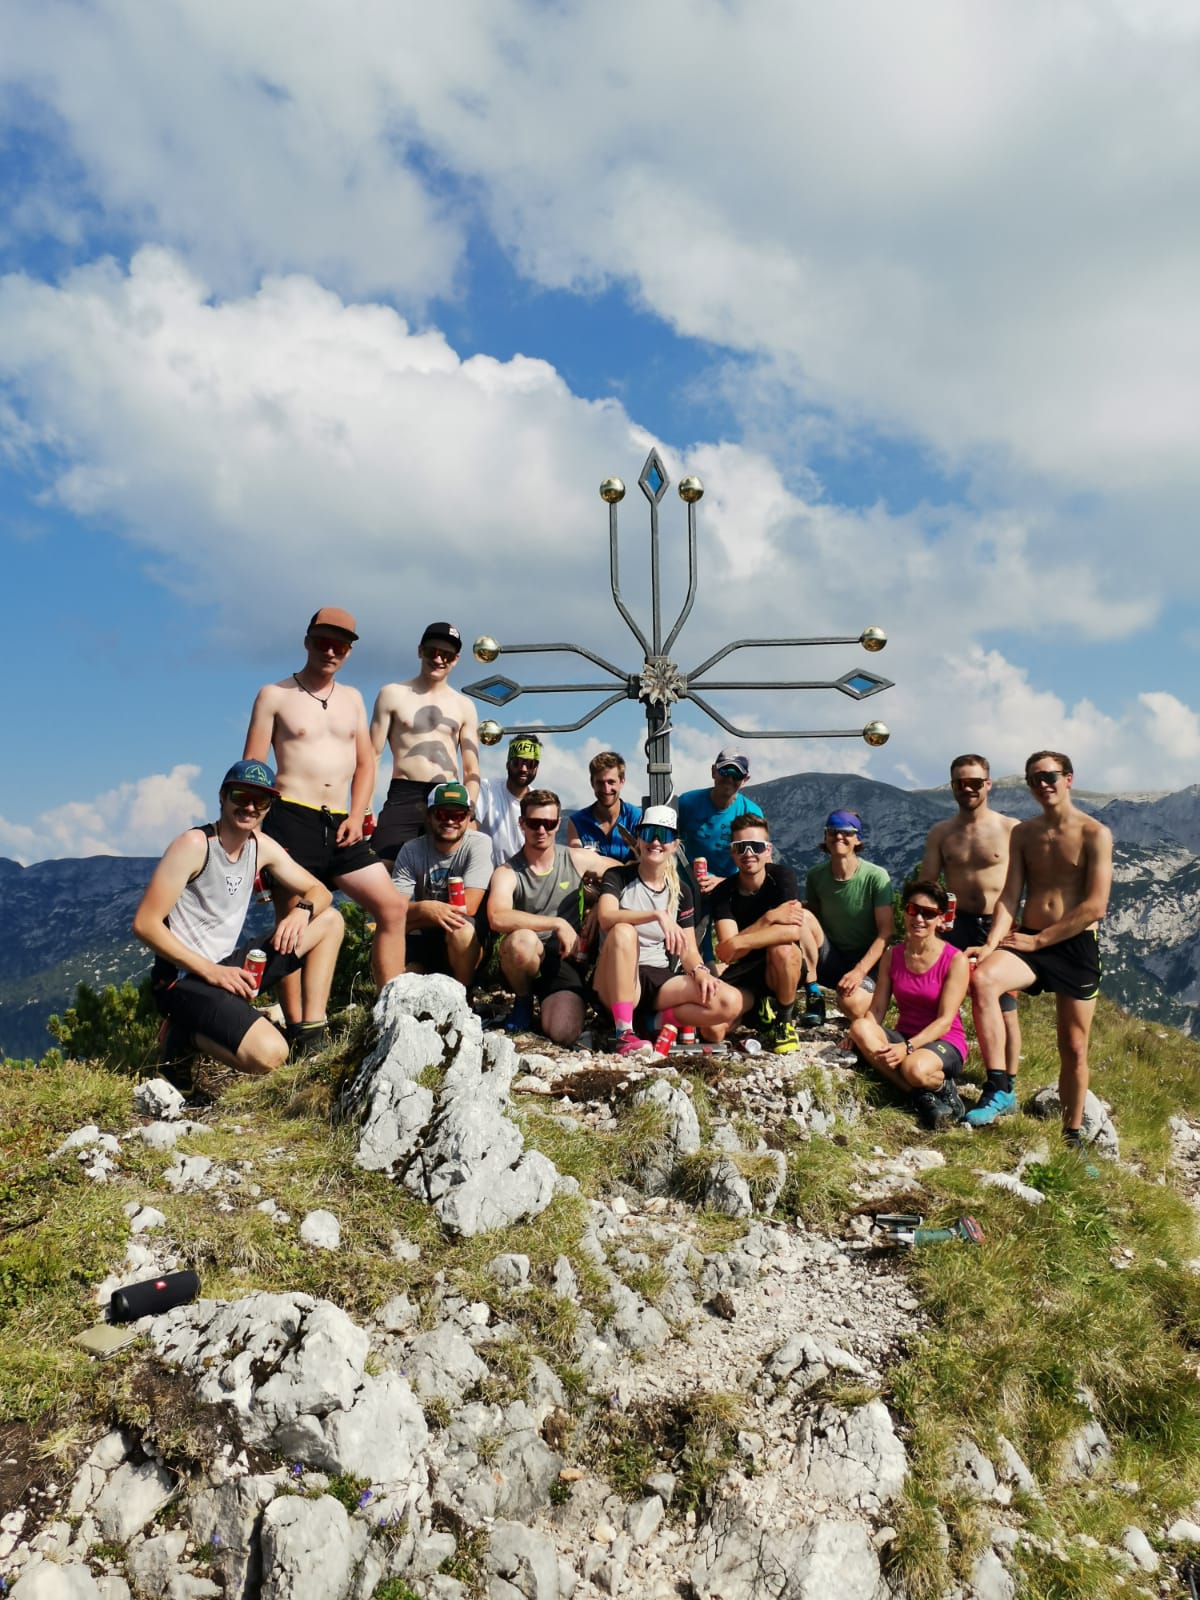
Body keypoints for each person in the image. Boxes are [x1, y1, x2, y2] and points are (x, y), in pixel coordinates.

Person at [133, 760, 345, 1082]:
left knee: (330, 921)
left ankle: (311, 1036)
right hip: (183, 979)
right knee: (271, 1053)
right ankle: (183, 1036)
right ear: (222, 796)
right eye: (241, 795)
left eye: (260, 800)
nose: (249, 806)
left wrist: (302, 910)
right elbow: (145, 924)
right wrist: (212, 972)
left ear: (269, 806)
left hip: (227, 968)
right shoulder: (194, 845)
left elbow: (320, 892)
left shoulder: (261, 847)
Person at [243, 607, 407, 1022]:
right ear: (307, 641)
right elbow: (253, 771)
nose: (331, 650)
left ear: (350, 651)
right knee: (290, 927)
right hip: (290, 819)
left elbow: (367, 764)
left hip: (342, 824)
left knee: (392, 907)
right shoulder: (274, 696)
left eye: (341, 644)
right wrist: (254, 843)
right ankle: (300, 1026)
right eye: (323, 641)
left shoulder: (352, 698)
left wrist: (356, 815)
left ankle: (392, 1010)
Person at [965, 752, 1112, 1140]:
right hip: (1028, 941)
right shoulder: (1024, 833)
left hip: (1073, 945)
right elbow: (1010, 895)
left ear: (1068, 779)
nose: (1042, 784)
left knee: (1074, 1048)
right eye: (1033, 779)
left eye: (1049, 776)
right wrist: (992, 942)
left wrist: (1041, 939)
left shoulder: (1094, 833)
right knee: (983, 980)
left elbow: (1096, 906)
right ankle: (999, 1086)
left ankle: (1073, 1134)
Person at [593, 806, 742, 1055]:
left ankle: (651, 1023)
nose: (655, 842)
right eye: (649, 833)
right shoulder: (618, 876)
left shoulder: (681, 891)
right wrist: (655, 916)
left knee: (729, 1001)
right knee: (623, 932)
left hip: (657, 978)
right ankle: (623, 1032)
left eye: (664, 836)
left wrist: (700, 971)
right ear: (638, 839)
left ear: (674, 844)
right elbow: (606, 917)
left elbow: (688, 950)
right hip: (613, 976)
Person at [920, 753, 1021, 1079]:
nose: (967, 789)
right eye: (960, 783)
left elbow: (1027, 885)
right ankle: (935, 1062)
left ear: (988, 784)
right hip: (955, 924)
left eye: (975, 782)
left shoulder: (1011, 829)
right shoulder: (942, 833)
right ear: (952, 786)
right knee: (939, 999)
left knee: (1004, 1006)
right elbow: (928, 886)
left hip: (999, 922)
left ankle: (1007, 1082)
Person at [487, 790, 608, 1044]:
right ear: (522, 824)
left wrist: (600, 905)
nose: (541, 830)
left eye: (549, 823)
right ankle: (523, 999)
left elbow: (624, 872)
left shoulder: (575, 859)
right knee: (522, 942)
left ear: (558, 824)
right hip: (526, 958)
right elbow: (497, 916)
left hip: (565, 959)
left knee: (563, 1032)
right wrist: (557, 923)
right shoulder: (508, 871)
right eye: (534, 823)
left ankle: (560, 1002)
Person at [848, 880, 969, 1130]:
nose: (920, 919)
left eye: (929, 913)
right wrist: (859, 1036)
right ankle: (920, 1098)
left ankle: (943, 1089)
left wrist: (908, 1047)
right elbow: (878, 1009)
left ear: (940, 919)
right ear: (905, 912)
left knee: (914, 1068)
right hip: (905, 1035)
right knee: (859, 1027)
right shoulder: (893, 955)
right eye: (914, 910)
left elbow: (945, 1021)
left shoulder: (954, 960)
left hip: (945, 1040)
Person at [710, 814, 826, 1054]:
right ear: (732, 852)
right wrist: (769, 919)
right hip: (748, 971)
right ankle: (757, 1009)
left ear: (768, 850)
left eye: (757, 846)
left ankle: (784, 1020)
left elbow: (791, 932)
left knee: (783, 950)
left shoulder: (782, 877)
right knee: (713, 1031)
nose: (748, 853)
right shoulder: (723, 892)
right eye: (740, 847)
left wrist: (741, 940)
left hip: (780, 968)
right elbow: (727, 953)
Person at [369, 622, 480, 865]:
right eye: (433, 652)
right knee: (382, 866)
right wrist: (364, 809)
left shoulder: (464, 706)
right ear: (420, 651)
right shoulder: (393, 694)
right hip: (405, 792)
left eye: (447, 655)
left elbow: (471, 770)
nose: (439, 659)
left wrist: (468, 809)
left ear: (456, 659)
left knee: (446, 870)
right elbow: (372, 756)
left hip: (448, 794)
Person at [392, 782, 492, 988]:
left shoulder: (479, 843)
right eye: (442, 814)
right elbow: (392, 911)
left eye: (458, 816)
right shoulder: (411, 850)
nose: (450, 821)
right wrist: (425, 909)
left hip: (464, 939)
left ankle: (463, 996)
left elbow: (469, 907)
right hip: (426, 938)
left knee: (461, 929)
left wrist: (419, 914)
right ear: (429, 816)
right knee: (391, 931)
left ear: (468, 818)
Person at [803, 810, 893, 1021]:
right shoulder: (815, 876)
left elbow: (886, 932)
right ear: (826, 836)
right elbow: (812, 919)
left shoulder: (876, 877)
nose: (839, 837)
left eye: (847, 832)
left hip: (868, 961)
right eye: (833, 831)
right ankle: (813, 994)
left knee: (851, 1005)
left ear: (857, 839)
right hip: (832, 957)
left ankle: (873, 998)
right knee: (802, 916)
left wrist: (859, 972)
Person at [675, 748, 764, 892]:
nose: (729, 778)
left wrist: (724, 883)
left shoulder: (751, 812)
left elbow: (761, 864)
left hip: (731, 891)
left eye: (736, 774)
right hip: (686, 889)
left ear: (745, 780)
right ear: (713, 772)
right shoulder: (687, 803)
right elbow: (665, 843)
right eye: (725, 771)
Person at [476, 736, 542, 867]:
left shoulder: (539, 802)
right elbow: (470, 828)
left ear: (536, 768)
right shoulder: (487, 788)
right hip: (486, 877)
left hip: (525, 877)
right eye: (517, 762)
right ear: (507, 764)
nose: (523, 769)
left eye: (530, 764)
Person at [567, 751, 642, 861]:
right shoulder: (577, 822)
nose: (606, 789)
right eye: (600, 783)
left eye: (611, 782)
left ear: (622, 781)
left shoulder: (637, 818)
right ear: (592, 783)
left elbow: (646, 862)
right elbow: (576, 863)